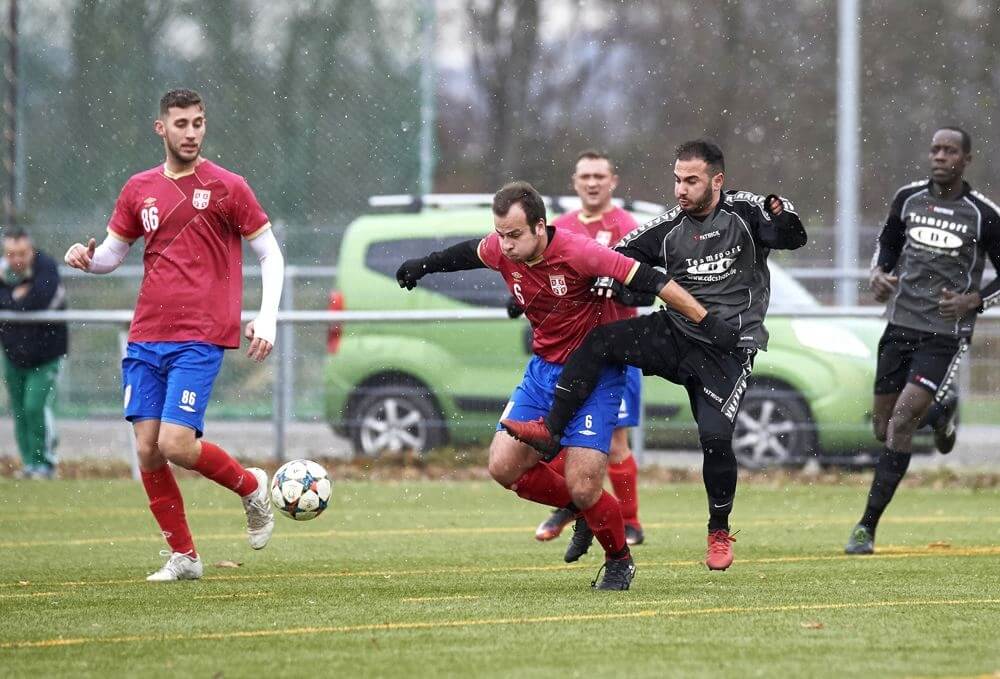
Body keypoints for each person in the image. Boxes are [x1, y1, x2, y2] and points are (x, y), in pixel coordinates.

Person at [395, 180, 738, 590]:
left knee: (584, 482)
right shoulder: (501, 248)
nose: (505, 245)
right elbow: (469, 251)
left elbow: (652, 279)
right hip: (542, 372)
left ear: (541, 227)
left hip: (596, 377)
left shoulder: (579, 252)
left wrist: (705, 321)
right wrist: (425, 264)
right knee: (503, 467)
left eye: (515, 235)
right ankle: (580, 511)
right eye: (501, 234)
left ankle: (618, 560)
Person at [503, 139, 808, 572]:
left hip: (726, 348)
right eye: (677, 180)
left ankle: (718, 529)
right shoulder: (666, 227)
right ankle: (552, 432)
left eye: (691, 181)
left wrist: (784, 216)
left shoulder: (745, 211)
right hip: (674, 333)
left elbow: (792, 237)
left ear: (717, 180)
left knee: (716, 439)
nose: (681, 190)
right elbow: (619, 260)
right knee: (600, 342)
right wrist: (611, 284)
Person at [63, 88, 284, 581]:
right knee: (146, 448)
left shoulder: (228, 187)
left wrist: (266, 316)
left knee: (177, 444)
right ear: (161, 128)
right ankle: (184, 556)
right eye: (181, 124)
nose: (191, 132)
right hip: (146, 335)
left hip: (200, 336)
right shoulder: (138, 188)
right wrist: (85, 258)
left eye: (198, 123)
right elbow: (111, 255)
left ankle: (250, 486)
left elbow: (271, 253)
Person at [845, 126, 1000, 555]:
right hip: (899, 324)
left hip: (944, 333)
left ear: (966, 159)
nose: (940, 156)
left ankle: (865, 527)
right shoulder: (908, 199)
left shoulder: (983, 213)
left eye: (950, 151)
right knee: (882, 426)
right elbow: (885, 248)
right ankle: (940, 413)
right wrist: (877, 276)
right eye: (935, 149)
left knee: (900, 421)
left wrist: (975, 300)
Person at [531, 150, 648, 561]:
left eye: (600, 175)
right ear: (575, 181)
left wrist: (616, 287)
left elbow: (642, 283)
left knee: (614, 441)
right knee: (560, 437)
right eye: (586, 176)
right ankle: (572, 507)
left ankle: (631, 522)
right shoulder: (557, 228)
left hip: (615, 351)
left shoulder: (627, 227)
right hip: (567, 353)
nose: (593, 183)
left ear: (613, 181)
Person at [0, 228, 68, 479]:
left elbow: (38, 300)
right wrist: (14, 297)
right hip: (12, 353)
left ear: (31, 250)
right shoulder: (4, 270)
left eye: (22, 253)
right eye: (11, 254)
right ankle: (30, 463)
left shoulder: (47, 267)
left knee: (34, 406)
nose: (16, 259)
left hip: (46, 353)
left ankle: (46, 463)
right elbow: (16, 302)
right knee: (18, 409)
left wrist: (12, 299)